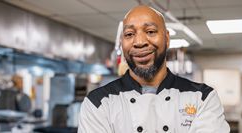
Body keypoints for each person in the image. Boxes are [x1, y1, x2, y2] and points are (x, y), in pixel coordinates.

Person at [78, 5, 230, 133]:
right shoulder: (98, 104)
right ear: (122, 43)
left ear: (167, 38)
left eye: (150, 31)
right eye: (129, 34)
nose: (139, 42)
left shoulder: (202, 98)